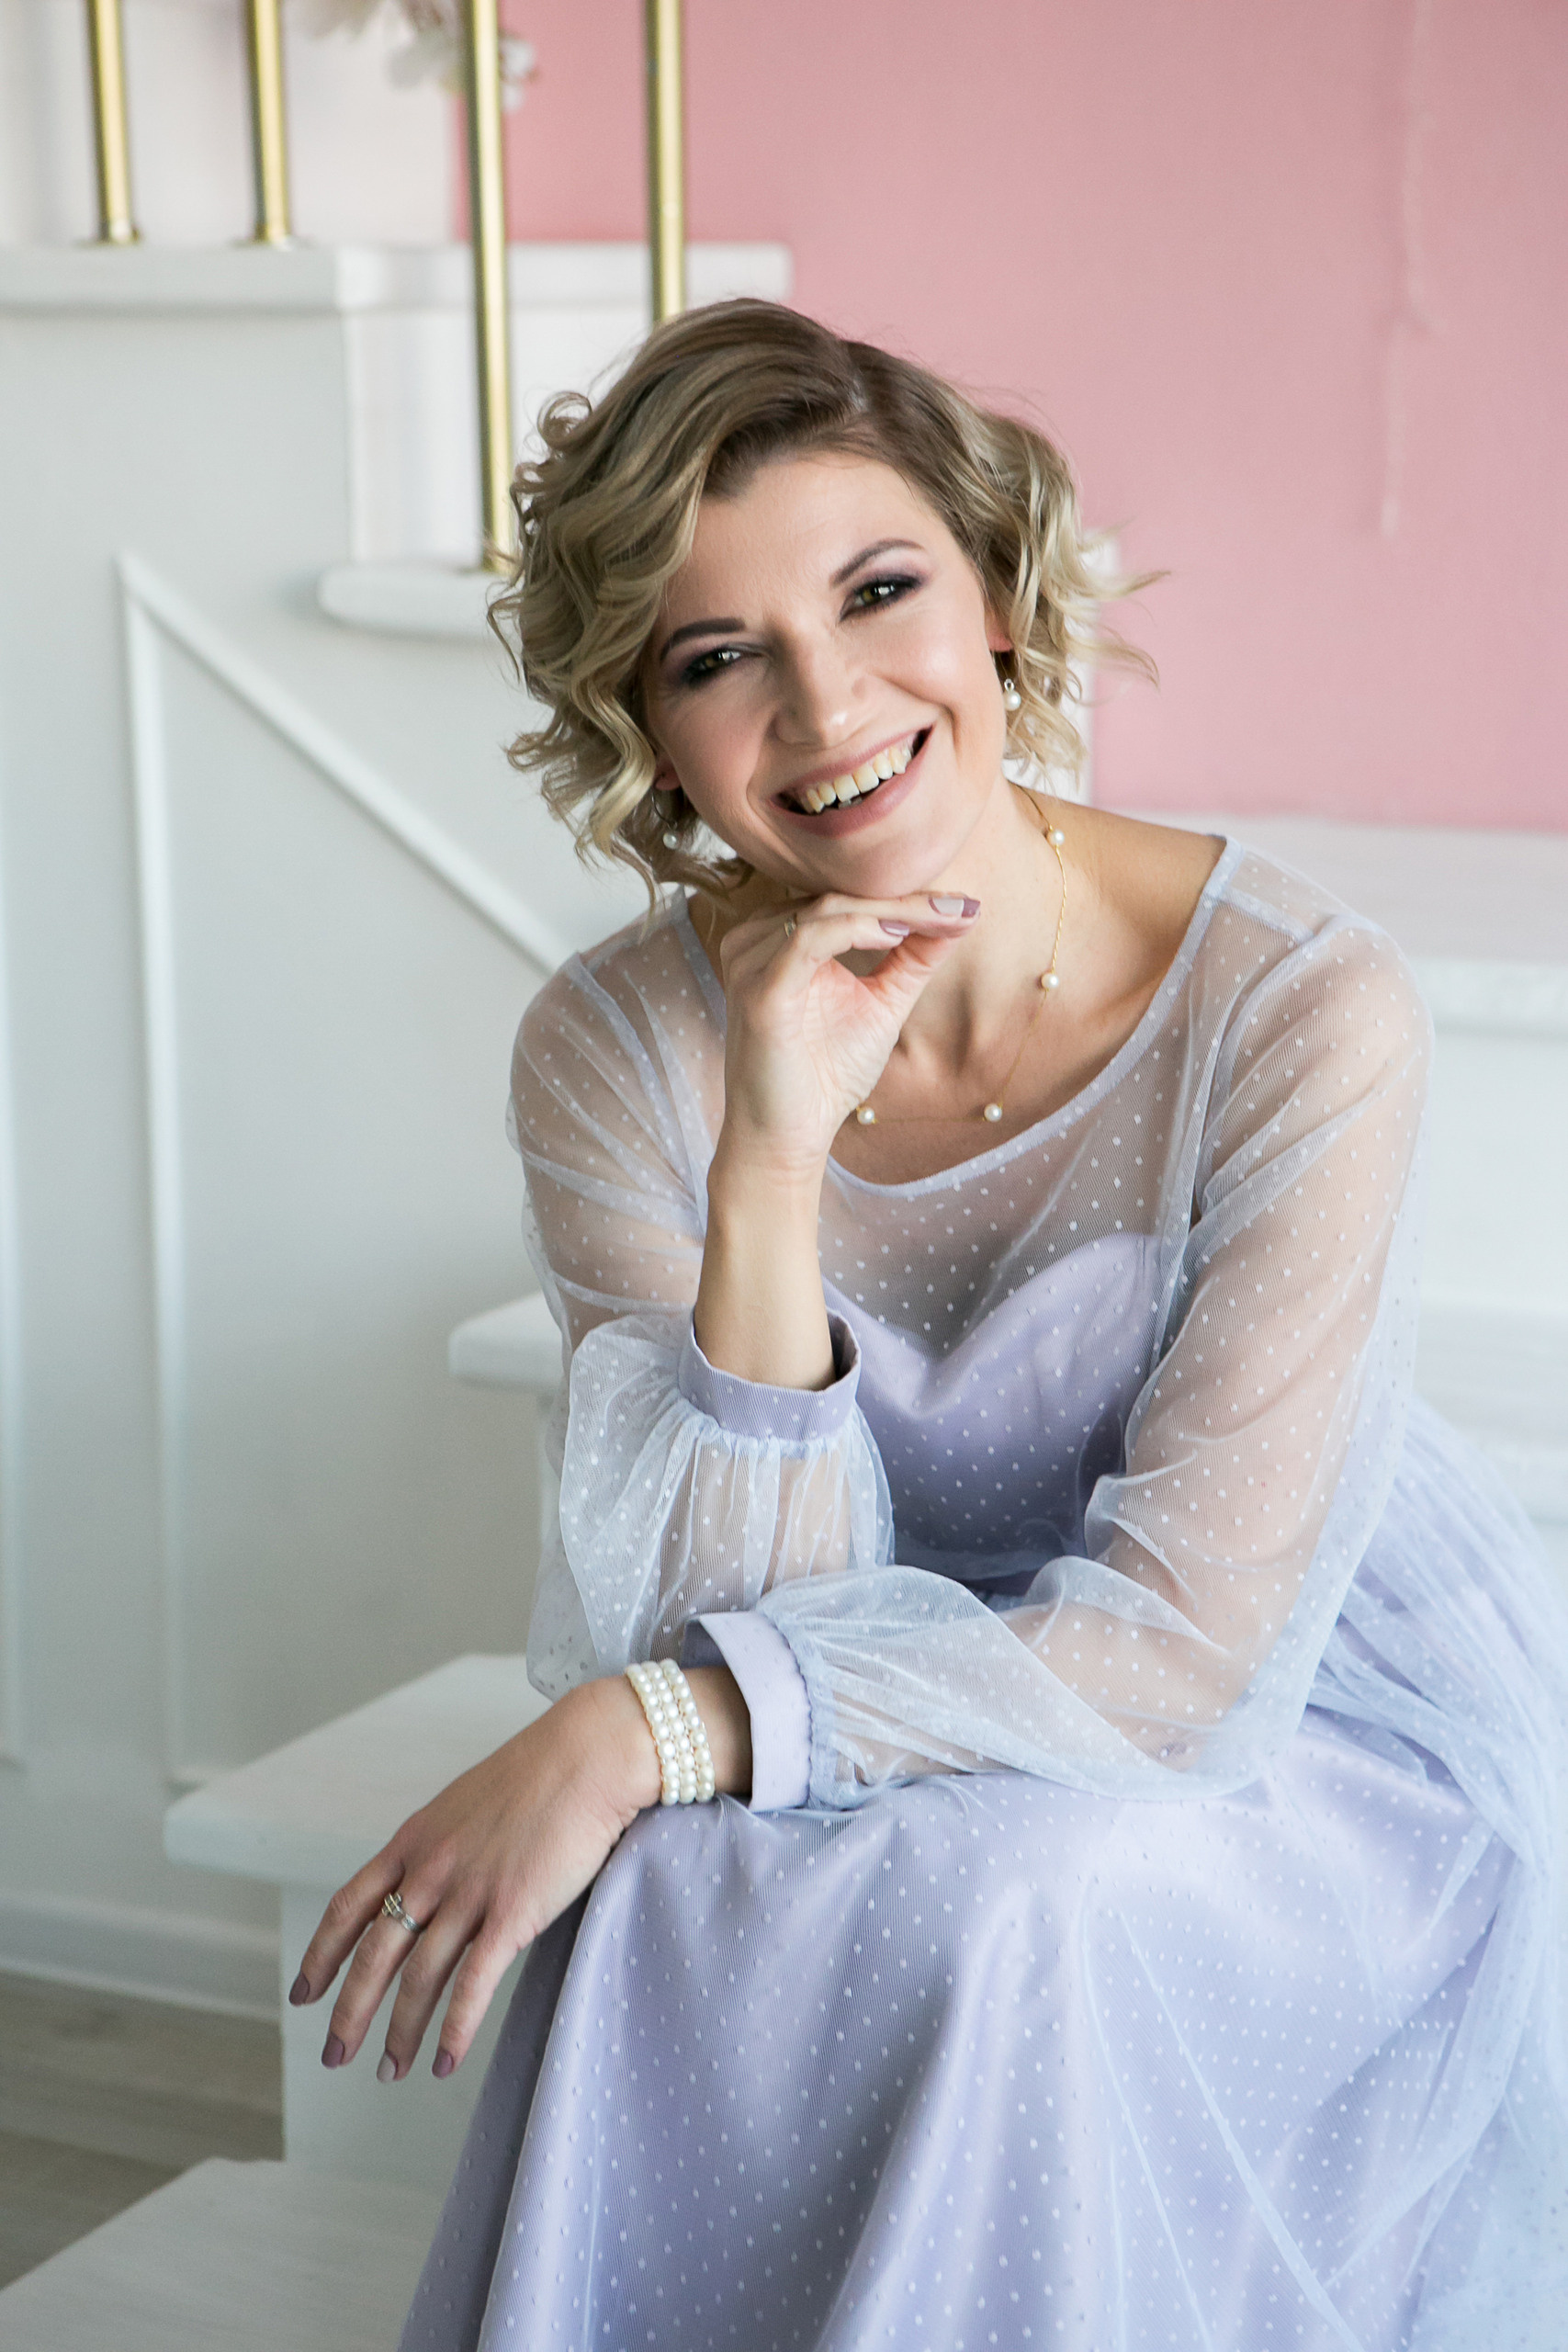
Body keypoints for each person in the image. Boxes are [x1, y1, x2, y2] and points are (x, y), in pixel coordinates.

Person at [292, 302, 1568, 2351]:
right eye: (718, 656)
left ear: (993, 591)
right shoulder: (610, 1052)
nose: (826, 708)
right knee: (666, 1879)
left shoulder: (1296, 1008)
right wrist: (770, 1155)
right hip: (827, 1671)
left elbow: (1178, 1661)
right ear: (647, 725)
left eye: (878, 591)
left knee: (1011, 1899)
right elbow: (711, 1609)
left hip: (1264, 1709)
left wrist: (648, 1727)